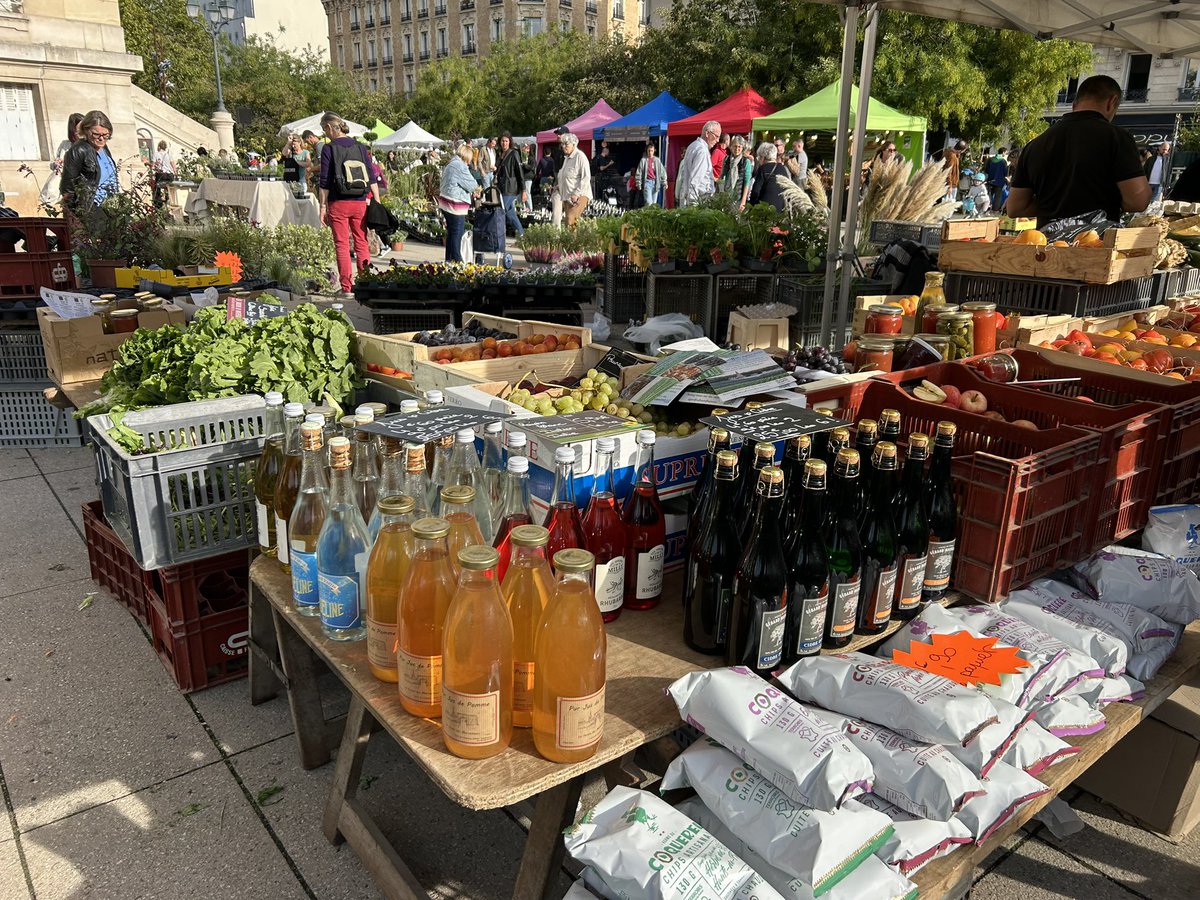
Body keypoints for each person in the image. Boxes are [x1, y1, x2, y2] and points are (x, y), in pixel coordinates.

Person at [1007, 74, 1150, 226]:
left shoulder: (1035, 144)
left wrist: (1054, 205)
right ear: (1111, 102)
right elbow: (1138, 201)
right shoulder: (1117, 138)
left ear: (1074, 105)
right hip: (1094, 243)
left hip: (1045, 244)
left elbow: (1016, 207)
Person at [317, 112, 380, 297]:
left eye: (323, 130)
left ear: (329, 127)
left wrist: (322, 206)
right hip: (360, 201)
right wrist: (377, 200)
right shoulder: (360, 147)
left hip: (338, 202)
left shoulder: (329, 149)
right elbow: (371, 175)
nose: (324, 133)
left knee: (342, 244)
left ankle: (347, 288)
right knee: (362, 242)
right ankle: (366, 283)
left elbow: (325, 181)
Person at [60, 109, 118, 212]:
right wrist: (78, 214)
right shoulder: (78, 151)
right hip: (91, 208)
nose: (101, 138)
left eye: (105, 135)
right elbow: (67, 188)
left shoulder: (104, 148)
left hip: (111, 207)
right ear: (86, 130)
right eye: (96, 134)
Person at [438, 142, 481, 262]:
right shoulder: (460, 166)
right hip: (455, 204)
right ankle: (457, 260)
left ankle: (449, 260)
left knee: (451, 232)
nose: (469, 163)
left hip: (445, 202)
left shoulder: (451, 164)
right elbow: (472, 184)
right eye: (469, 160)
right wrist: (475, 190)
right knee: (457, 232)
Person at [677, 119, 721, 207]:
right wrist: (693, 204)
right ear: (707, 133)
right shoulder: (702, 151)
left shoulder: (693, 145)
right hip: (698, 199)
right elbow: (695, 179)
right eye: (716, 136)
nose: (718, 140)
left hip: (690, 197)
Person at [555, 132, 592, 228]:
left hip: (578, 196)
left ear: (574, 144)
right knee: (569, 223)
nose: (563, 146)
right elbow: (566, 175)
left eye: (566, 144)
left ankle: (573, 242)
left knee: (571, 221)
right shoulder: (567, 158)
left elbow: (586, 177)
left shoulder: (580, 156)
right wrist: (559, 186)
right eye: (562, 144)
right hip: (567, 196)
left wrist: (576, 193)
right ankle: (573, 242)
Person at [495, 132, 526, 238]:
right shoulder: (499, 154)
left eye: (506, 141)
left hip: (511, 188)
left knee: (501, 210)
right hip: (501, 187)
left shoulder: (514, 154)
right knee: (510, 214)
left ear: (510, 142)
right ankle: (522, 235)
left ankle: (498, 236)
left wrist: (524, 190)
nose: (504, 143)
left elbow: (520, 172)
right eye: (503, 141)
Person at [747, 142, 788, 212]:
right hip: (779, 208)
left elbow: (755, 191)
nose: (758, 160)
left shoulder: (763, 169)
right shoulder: (783, 169)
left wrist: (752, 207)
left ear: (763, 157)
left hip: (764, 209)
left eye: (759, 157)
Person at [722, 136, 753, 211]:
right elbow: (722, 176)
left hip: (738, 197)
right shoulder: (726, 160)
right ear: (731, 147)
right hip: (726, 195)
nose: (737, 149)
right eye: (735, 146)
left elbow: (747, 182)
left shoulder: (746, 162)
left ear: (743, 148)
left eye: (739, 147)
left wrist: (743, 201)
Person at [635, 143, 666, 208]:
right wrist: (638, 183)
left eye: (651, 150)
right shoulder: (643, 160)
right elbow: (639, 172)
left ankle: (652, 217)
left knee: (654, 204)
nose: (650, 152)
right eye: (649, 150)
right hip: (647, 182)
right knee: (648, 203)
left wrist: (664, 182)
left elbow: (662, 172)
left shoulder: (657, 160)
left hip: (655, 183)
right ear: (646, 151)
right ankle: (647, 216)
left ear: (654, 150)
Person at [151, 140, 175, 209]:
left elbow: (153, 165)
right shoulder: (168, 155)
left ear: (159, 147)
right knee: (170, 187)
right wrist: (175, 173)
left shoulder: (156, 154)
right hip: (170, 176)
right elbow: (173, 165)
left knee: (156, 187)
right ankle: (170, 199)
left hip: (161, 175)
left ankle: (158, 204)